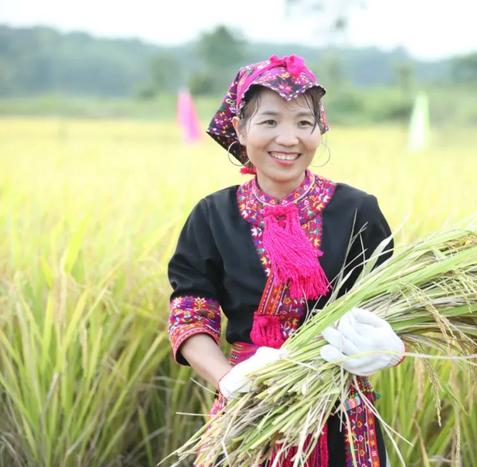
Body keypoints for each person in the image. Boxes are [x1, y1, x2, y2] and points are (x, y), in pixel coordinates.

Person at [167, 54, 405, 467]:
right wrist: (229, 378)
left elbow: (394, 304)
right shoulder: (213, 215)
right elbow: (190, 313)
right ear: (240, 129)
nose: (289, 138)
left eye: (303, 123)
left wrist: (387, 345)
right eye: (270, 121)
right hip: (250, 402)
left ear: (320, 129)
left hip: (341, 409)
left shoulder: (357, 211)